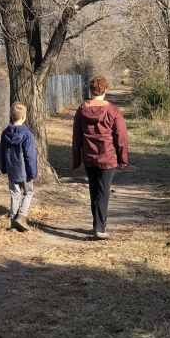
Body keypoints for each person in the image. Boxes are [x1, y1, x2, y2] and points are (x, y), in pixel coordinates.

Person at [72, 76, 129, 240]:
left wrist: (77, 159)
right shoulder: (113, 110)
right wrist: (123, 158)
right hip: (108, 157)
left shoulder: (82, 109)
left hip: (89, 157)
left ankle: (97, 224)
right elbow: (121, 136)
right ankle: (100, 227)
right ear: (105, 90)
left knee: (94, 190)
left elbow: (76, 137)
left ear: (91, 91)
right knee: (103, 192)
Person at [0, 101, 38, 231]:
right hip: (25, 171)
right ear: (24, 117)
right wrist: (32, 171)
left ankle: (13, 220)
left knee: (15, 194)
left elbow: (2, 152)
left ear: (11, 116)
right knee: (29, 192)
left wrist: (4, 167)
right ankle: (21, 216)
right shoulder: (27, 134)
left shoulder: (5, 133)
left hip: (12, 169)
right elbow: (30, 155)